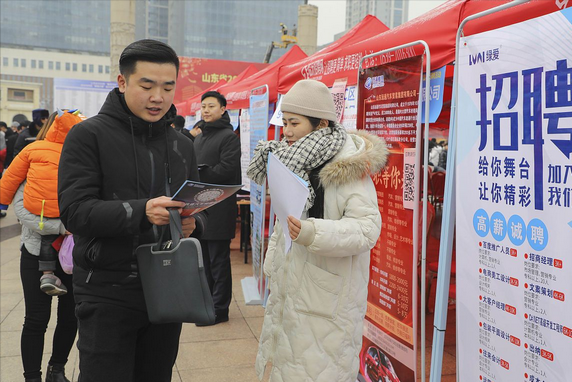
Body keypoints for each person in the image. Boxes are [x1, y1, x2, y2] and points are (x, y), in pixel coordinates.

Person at [58, 39, 207, 382]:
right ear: (122, 82)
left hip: (168, 287)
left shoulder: (182, 144)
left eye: (168, 87)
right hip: (107, 290)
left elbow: (197, 205)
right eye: (147, 85)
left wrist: (193, 223)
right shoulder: (88, 135)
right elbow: (76, 212)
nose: (158, 96)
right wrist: (142, 211)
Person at [247, 79, 388, 381]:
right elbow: (284, 222)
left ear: (321, 122)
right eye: (284, 122)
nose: (287, 131)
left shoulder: (345, 167)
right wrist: (275, 259)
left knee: (318, 369)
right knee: (289, 364)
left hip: (327, 297)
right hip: (292, 285)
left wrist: (312, 232)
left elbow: (367, 229)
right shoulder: (294, 158)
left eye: (294, 123)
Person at [0, 113, 80, 382]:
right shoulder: (33, 165)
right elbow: (22, 212)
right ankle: (31, 377)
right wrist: (61, 227)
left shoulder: (81, 163)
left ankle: (56, 370)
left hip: (72, 254)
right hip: (35, 252)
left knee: (71, 317)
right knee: (36, 318)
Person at [1, 110, 83, 299]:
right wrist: (64, 227)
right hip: (70, 228)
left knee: (36, 319)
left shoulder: (33, 149)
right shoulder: (81, 153)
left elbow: (11, 177)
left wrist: (3, 202)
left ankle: (47, 275)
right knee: (69, 317)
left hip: (41, 219)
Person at [193, 90, 241, 325]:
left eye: (211, 106)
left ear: (223, 109)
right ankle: (206, 304)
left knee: (218, 261)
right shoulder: (199, 137)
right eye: (203, 106)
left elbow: (228, 170)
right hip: (199, 207)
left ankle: (220, 310)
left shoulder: (229, 136)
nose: (206, 110)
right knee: (203, 261)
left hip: (220, 207)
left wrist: (202, 172)